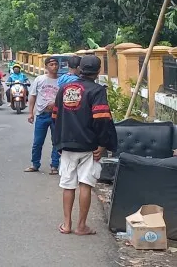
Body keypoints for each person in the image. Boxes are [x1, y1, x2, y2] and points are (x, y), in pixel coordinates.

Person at [52, 55, 117, 235]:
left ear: (80, 69)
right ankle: (81, 226)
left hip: (66, 145)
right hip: (89, 146)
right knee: (85, 185)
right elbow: (102, 119)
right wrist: (103, 144)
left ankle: (66, 225)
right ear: (98, 72)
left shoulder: (64, 89)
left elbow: (55, 117)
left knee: (67, 185)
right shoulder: (97, 91)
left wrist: (58, 143)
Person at [25, 56, 61, 174]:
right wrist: (31, 113)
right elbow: (33, 96)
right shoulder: (40, 80)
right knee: (38, 142)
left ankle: (54, 165)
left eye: (56, 64)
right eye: (51, 65)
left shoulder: (61, 81)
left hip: (57, 116)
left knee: (56, 141)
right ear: (46, 67)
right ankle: (35, 164)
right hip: (42, 115)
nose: (54, 66)